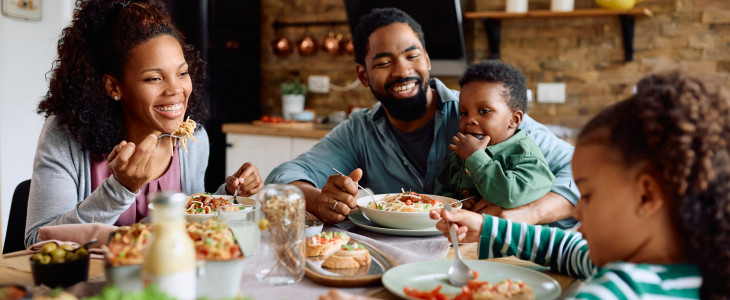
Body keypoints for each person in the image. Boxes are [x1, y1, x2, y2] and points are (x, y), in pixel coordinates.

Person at [425, 72, 730, 299]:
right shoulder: (695, 268)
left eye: (588, 193)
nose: (577, 208)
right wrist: (485, 226)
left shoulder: (619, 290)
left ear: (647, 195)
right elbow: (565, 248)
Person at [265, 8, 578, 228]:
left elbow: (578, 171)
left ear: (427, 61)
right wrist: (318, 199)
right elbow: (283, 176)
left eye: (412, 56)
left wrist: (529, 213)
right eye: (385, 61)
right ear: (363, 74)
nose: (403, 71)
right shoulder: (359, 131)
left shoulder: (477, 114)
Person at [25, 0, 263, 248]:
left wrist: (230, 195)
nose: (176, 90)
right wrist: (119, 189)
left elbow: (192, 224)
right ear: (113, 86)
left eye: (182, 73)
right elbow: (36, 241)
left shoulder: (193, 140)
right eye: (154, 78)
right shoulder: (65, 136)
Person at [434, 61, 554, 209]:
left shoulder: (526, 155)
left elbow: (510, 196)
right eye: (463, 113)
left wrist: (476, 157)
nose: (469, 120)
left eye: (484, 111)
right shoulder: (461, 153)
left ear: (514, 119)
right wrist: (456, 204)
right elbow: (441, 194)